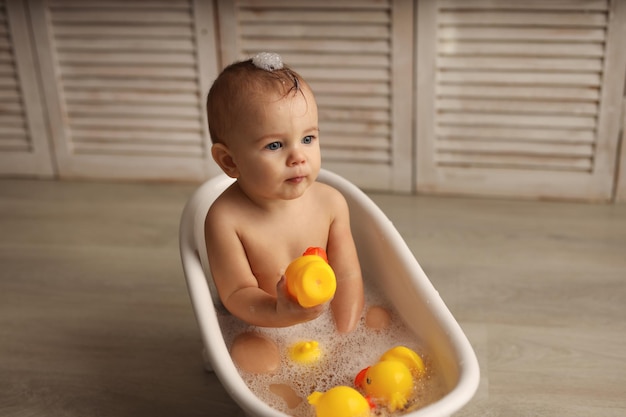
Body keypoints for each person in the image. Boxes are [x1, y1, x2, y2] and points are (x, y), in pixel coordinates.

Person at [204, 52, 364, 334]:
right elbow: (237, 295)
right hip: (261, 324)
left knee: (377, 321)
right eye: (275, 145)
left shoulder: (331, 203)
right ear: (230, 161)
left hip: (323, 320)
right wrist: (280, 313)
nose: (298, 157)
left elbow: (348, 276)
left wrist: (344, 334)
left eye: (307, 139)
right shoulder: (226, 219)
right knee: (253, 358)